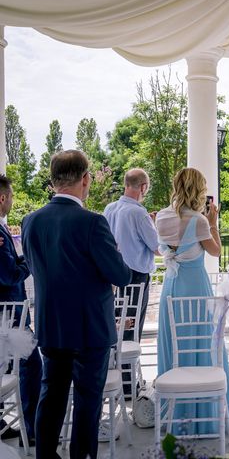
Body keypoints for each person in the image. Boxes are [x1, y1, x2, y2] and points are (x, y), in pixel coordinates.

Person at [21, 150, 131, 459]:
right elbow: (120, 275)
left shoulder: (30, 222)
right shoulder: (92, 223)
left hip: (51, 326)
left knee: (51, 396)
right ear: (85, 180)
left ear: (53, 181)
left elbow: (34, 266)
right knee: (87, 402)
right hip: (89, 328)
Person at [155, 167, 229, 435]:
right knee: (203, 344)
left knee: (176, 346)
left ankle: (176, 415)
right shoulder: (199, 221)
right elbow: (215, 251)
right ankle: (204, 415)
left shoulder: (162, 218)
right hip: (195, 289)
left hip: (171, 289)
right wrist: (213, 221)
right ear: (198, 190)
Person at [0, 175, 41, 447]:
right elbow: (9, 274)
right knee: (31, 364)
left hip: (7, 309)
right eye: (12, 196)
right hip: (9, 311)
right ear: (2, 198)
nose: (13, 201)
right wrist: (28, 259)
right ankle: (32, 426)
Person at [104, 168, 160, 342]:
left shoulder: (109, 209)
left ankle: (115, 364)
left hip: (110, 275)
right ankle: (128, 367)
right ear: (143, 187)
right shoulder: (139, 213)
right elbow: (157, 247)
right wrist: (154, 225)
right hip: (135, 277)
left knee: (114, 324)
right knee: (131, 328)